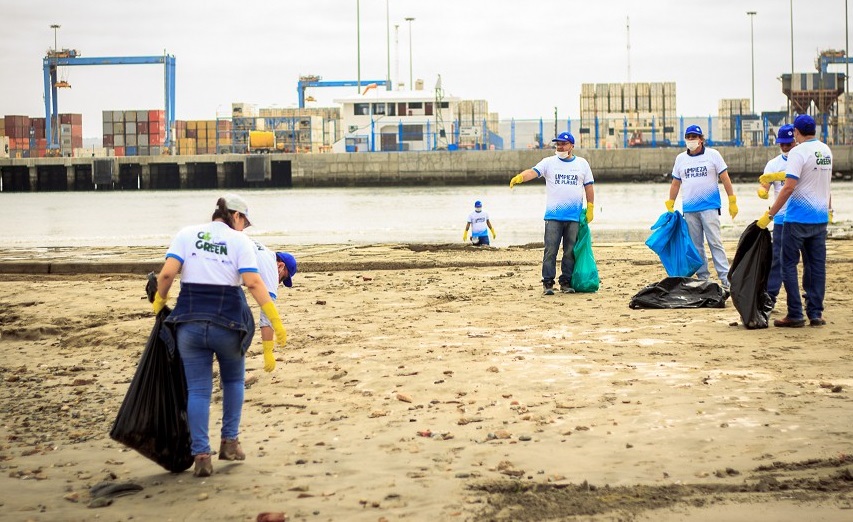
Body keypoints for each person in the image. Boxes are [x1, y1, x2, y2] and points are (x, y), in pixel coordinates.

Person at [151, 193, 287, 477]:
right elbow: (252, 282)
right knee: (234, 380)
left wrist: (160, 302)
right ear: (236, 216)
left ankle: (201, 456)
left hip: (189, 325)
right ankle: (229, 443)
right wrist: (274, 318)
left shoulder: (187, 234)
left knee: (199, 390)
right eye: (244, 222)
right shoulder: (240, 242)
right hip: (228, 325)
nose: (244, 229)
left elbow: (166, 275)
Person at [756, 114, 832, 327]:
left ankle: (795, 314)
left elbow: (789, 187)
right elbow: (825, 183)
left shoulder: (798, 152)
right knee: (816, 266)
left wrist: (770, 214)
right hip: (819, 219)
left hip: (797, 219)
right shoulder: (825, 150)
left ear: (797, 132)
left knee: (787, 265)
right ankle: (815, 313)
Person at [509, 131, 595, 295]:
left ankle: (566, 282)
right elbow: (533, 172)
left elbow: (589, 186)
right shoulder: (549, 162)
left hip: (574, 217)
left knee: (570, 251)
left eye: (563, 144)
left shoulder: (582, 164)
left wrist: (590, 207)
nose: (560, 146)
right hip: (553, 217)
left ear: (571, 146)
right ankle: (548, 283)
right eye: (558, 144)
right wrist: (520, 177)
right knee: (550, 250)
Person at [665, 124, 738, 293]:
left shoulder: (713, 155)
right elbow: (676, 183)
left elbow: (725, 178)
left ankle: (726, 279)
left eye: (694, 137)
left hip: (709, 207)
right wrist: (670, 202)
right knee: (696, 246)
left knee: (715, 242)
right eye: (688, 137)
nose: (691, 140)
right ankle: (703, 278)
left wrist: (732, 200)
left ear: (701, 139)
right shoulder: (680, 159)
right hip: (690, 209)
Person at [756, 123, 798, 309]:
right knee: (778, 258)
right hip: (781, 217)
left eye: (788, 144)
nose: (785, 147)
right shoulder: (773, 164)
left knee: (803, 258)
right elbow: (765, 183)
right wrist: (762, 190)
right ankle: (771, 296)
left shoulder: (803, 160)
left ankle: (808, 298)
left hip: (802, 216)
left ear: (795, 141)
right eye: (782, 144)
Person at [251, 240, 298, 367]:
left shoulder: (263, 250)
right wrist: (268, 351)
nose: (279, 282)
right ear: (281, 266)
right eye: (283, 278)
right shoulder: (271, 269)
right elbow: (266, 317)